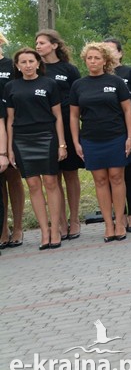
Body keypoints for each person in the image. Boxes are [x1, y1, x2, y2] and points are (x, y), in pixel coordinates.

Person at [69, 43, 131, 242]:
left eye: (97, 58)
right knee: (100, 180)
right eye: (89, 58)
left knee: (116, 177)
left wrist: (130, 137)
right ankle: (108, 224)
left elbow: (128, 110)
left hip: (115, 136)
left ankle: (120, 221)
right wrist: (76, 142)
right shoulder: (78, 85)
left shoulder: (116, 82)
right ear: (85, 61)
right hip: (90, 138)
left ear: (104, 60)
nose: (93, 61)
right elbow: (73, 116)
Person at [4, 48, 67, 249]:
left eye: (31, 61)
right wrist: (9, 149)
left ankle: (56, 228)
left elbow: (58, 117)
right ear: (17, 66)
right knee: (33, 185)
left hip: (47, 136)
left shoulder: (49, 84)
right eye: (23, 62)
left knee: (51, 182)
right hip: (22, 140)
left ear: (38, 63)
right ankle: (44, 231)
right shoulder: (11, 87)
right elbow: (10, 120)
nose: (28, 65)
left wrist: (61, 144)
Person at [36, 29, 82, 241]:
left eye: (42, 43)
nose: (38, 46)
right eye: (36, 43)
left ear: (54, 45)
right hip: (44, 128)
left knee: (70, 173)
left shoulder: (69, 69)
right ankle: (60, 222)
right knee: (52, 177)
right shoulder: (37, 69)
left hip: (67, 124)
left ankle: (74, 220)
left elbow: (80, 96)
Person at [103, 38, 131, 232]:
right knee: (111, 175)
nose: (108, 54)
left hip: (129, 129)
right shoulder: (98, 75)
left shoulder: (130, 73)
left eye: (111, 51)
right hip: (107, 132)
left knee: (129, 173)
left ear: (120, 53)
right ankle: (119, 215)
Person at [0, 33, 25, 250]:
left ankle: (17, 227)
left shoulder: (11, 66)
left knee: (13, 178)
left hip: (12, 126)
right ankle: (2, 229)